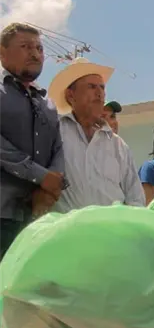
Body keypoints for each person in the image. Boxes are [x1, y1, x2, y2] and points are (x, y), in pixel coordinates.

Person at [0, 22, 64, 258]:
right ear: (2, 52)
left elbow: (58, 148)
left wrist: (50, 188)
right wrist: (41, 176)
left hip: (38, 218)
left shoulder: (47, 104)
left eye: (39, 48)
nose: (35, 53)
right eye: (26, 46)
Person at [48, 58, 144, 212]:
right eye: (91, 87)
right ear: (71, 96)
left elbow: (135, 197)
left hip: (112, 232)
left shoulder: (118, 145)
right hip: (67, 231)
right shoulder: (54, 132)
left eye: (102, 87)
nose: (99, 93)